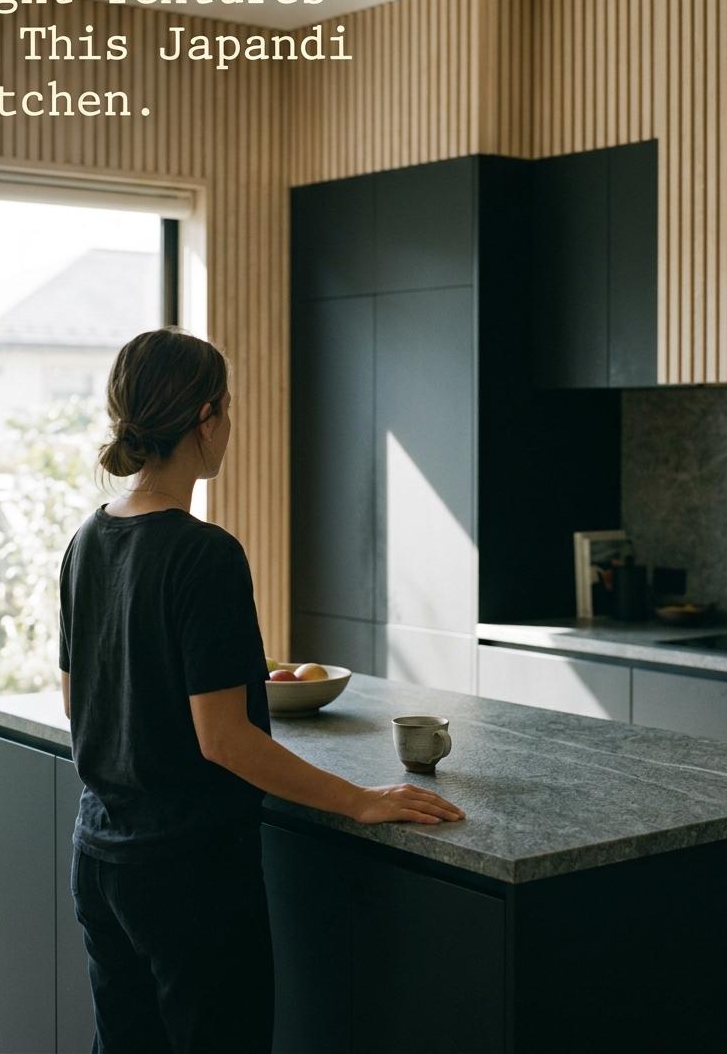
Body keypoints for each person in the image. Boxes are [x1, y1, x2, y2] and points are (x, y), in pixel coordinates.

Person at [59, 326, 466, 1054]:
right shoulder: (203, 553)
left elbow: (76, 699)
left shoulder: (87, 540)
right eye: (230, 410)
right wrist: (362, 799)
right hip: (188, 871)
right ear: (207, 417)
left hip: (100, 858)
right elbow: (225, 740)